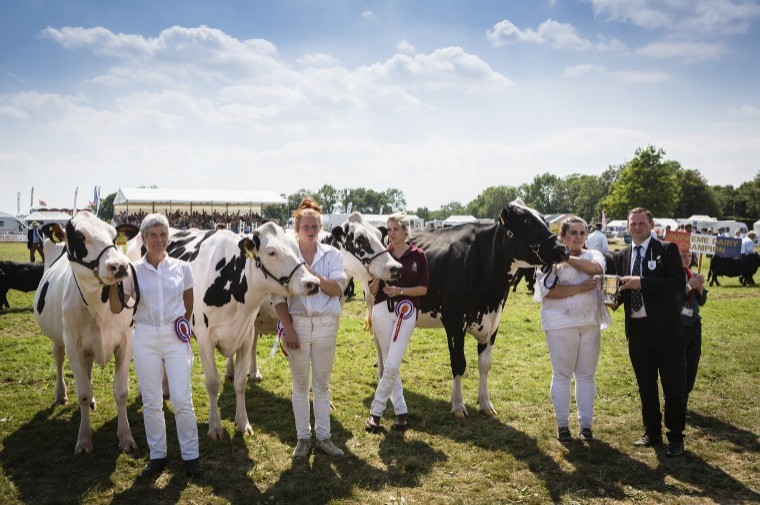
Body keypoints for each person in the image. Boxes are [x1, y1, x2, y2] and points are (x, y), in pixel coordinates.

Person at [108, 213, 202, 478]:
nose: (159, 240)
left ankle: (191, 455)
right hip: (145, 336)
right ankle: (158, 454)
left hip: (175, 336)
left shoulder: (182, 268)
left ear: (168, 237)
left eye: (163, 235)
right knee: (151, 401)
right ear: (144, 239)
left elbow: (188, 299)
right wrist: (114, 281)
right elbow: (116, 308)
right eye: (153, 236)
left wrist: (182, 324)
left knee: (182, 398)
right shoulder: (132, 270)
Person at [274, 199, 347, 460]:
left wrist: (311, 274)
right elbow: (278, 298)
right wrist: (288, 329)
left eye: (315, 225)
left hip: (326, 324)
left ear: (321, 227)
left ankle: (324, 437)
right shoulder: (287, 257)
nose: (311, 229)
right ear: (297, 228)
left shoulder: (332, 255)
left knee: (323, 384)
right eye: (306, 225)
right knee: (301, 384)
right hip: (299, 325)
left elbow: (338, 289)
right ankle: (303, 439)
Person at [612, 208, 686, 458]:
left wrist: (642, 283)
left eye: (642, 223)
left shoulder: (667, 249)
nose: (637, 227)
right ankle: (651, 431)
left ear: (651, 224)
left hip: (666, 331)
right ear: (627, 225)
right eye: (633, 223)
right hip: (638, 330)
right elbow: (623, 288)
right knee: (646, 385)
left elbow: (677, 283)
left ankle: (675, 436)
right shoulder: (623, 255)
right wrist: (614, 300)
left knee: (672, 385)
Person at [535, 216, 609, 443]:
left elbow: (595, 268)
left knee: (586, 375)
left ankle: (586, 425)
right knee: (562, 374)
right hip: (560, 323)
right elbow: (549, 292)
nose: (578, 237)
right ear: (562, 236)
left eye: (582, 233)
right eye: (573, 233)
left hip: (589, 323)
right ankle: (563, 426)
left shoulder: (594, 254)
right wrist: (578, 287)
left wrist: (567, 258)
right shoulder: (548, 260)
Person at [365, 212, 429, 433]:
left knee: (391, 365)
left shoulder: (418, 255)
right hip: (382, 310)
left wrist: (400, 290)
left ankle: (376, 412)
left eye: (395, 229)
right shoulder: (383, 255)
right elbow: (373, 292)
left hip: (407, 311)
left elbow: (423, 289)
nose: (391, 233)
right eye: (388, 229)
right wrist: (380, 275)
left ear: (404, 231)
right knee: (390, 362)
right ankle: (401, 411)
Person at [676, 249, 707, 411]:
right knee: (679, 365)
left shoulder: (693, 274)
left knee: (692, 364)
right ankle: (676, 400)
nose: (687, 259)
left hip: (694, 325)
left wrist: (700, 289)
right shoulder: (672, 276)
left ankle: (685, 398)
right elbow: (673, 299)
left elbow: (701, 302)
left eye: (689, 256)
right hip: (679, 327)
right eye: (683, 256)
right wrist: (689, 286)